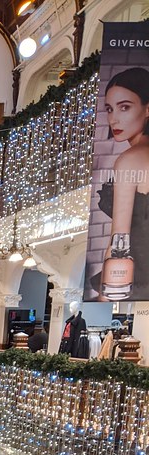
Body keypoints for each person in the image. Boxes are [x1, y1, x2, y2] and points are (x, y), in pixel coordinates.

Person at [94, 68, 149, 298]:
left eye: (124, 107)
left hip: (136, 277)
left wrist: (104, 299)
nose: (113, 119)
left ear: (147, 109)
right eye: (109, 109)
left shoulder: (130, 160)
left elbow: (119, 241)